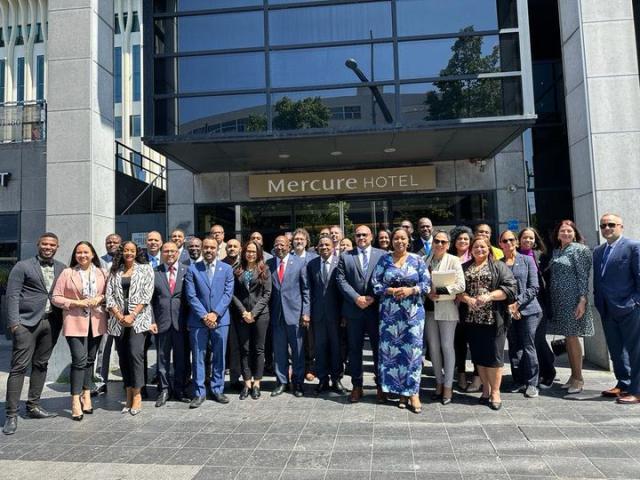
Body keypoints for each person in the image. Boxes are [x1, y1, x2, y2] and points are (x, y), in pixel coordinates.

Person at [3, 233, 65, 435]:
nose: (48, 247)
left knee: (41, 364)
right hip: (26, 324)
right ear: (38, 245)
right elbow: (11, 295)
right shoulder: (22, 266)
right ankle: (11, 414)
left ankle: (33, 406)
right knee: (19, 367)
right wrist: (14, 324)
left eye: (52, 245)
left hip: (52, 322)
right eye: (45, 244)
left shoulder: (62, 268)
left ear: (57, 247)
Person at [372, 228, 430, 413]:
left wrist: (410, 290)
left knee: (412, 352)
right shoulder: (384, 260)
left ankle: (413, 393)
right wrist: (390, 291)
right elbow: (375, 283)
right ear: (391, 241)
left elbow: (426, 285)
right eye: (395, 238)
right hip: (390, 314)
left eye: (402, 238)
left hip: (412, 314)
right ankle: (396, 391)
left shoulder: (418, 260)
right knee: (391, 353)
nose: (399, 241)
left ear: (408, 240)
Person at [458, 236, 517, 410]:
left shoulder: (499, 266)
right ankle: (485, 390)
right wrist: (467, 299)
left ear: (489, 249)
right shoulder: (464, 268)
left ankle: (495, 392)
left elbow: (510, 288)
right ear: (471, 250)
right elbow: (457, 290)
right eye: (476, 247)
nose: (479, 250)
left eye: (483, 247)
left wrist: (489, 296)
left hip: (494, 319)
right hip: (472, 319)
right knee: (479, 357)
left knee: (495, 358)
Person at [51, 241, 107, 421]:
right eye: (78, 253)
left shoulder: (101, 272)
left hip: (96, 322)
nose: (82, 255)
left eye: (85, 252)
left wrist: (100, 298)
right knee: (79, 360)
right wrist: (76, 303)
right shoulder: (68, 273)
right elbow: (56, 297)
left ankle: (87, 395)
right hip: (74, 322)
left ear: (92, 255)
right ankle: (75, 400)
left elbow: (109, 293)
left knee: (90, 360)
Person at [593, 214, 640, 404]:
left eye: (611, 225)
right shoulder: (598, 251)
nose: (606, 228)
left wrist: (635, 302)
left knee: (636, 350)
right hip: (607, 309)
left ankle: (637, 390)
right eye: (603, 225)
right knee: (616, 350)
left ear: (621, 226)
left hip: (630, 308)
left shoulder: (633, 247)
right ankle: (624, 383)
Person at [336, 225, 386, 403]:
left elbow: (386, 278)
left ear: (371, 236)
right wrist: (356, 298)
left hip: (375, 310)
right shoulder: (345, 256)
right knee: (354, 350)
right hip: (354, 310)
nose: (361, 237)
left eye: (364, 234)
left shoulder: (382, 255)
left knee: (378, 350)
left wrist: (373, 297)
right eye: (358, 235)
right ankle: (357, 386)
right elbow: (340, 280)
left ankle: (381, 386)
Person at [106, 241, 156, 415]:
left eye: (132, 250)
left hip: (138, 320)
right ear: (122, 252)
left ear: (137, 252)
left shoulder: (146, 269)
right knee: (123, 357)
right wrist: (120, 316)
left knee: (135, 354)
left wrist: (132, 315)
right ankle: (127, 393)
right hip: (118, 321)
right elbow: (109, 296)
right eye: (126, 250)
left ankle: (137, 395)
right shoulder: (114, 271)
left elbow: (147, 295)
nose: (129, 253)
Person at [184, 236, 235, 407]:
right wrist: (205, 316)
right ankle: (199, 392)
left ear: (217, 249)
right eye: (206, 247)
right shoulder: (192, 269)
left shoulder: (227, 269)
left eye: (212, 248)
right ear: (202, 249)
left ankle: (217, 389)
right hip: (199, 321)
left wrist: (215, 314)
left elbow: (228, 294)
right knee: (198, 357)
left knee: (219, 356)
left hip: (221, 321)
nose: (208, 251)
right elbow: (191, 296)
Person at [547, 220, 594, 394]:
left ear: (575, 233)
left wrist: (582, 300)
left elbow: (583, 276)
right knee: (568, 337)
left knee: (573, 337)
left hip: (573, 299)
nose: (566, 233)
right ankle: (573, 376)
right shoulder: (558, 250)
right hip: (559, 300)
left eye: (569, 231)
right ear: (557, 234)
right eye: (562, 231)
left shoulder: (580, 250)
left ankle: (579, 378)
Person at [499, 230, 543, 398]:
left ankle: (532, 383)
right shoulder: (499, 263)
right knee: (514, 346)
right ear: (500, 244)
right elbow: (499, 288)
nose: (508, 243)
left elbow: (534, 287)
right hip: (508, 310)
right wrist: (510, 306)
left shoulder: (527, 260)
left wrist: (517, 303)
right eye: (505, 240)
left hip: (529, 310)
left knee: (528, 345)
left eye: (511, 240)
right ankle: (518, 380)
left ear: (516, 242)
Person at [425, 230, 465, 405]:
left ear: (448, 245)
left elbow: (461, 285)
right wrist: (427, 293)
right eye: (436, 241)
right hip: (428, 309)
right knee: (433, 348)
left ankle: (448, 386)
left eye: (443, 242)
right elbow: (420, 281)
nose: (439, 244)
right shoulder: (425, 260)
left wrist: (439, 291)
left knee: (447, 346)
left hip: (447, 308)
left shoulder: (454, 260)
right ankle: (439, 383)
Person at [267, 235, 310, 397]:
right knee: (279, 352)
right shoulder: (269, 264)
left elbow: (306, 290)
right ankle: (282, 382)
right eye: (276, 244)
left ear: (289, 245)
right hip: (276, 315)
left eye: (282, 244)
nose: (279, 247)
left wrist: (306, 312)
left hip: (295, 314)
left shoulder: (300, 263)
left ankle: (298, 383)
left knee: (298, 352)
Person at [231, 240, 272, 400]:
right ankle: (246, 383)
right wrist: (244, 312)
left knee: (259, 350)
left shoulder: (264, 269)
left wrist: (253, 313)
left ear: (258, 253)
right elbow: (233, 293)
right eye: (248, 251)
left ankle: (257, 383)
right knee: (245, 349)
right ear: (244, 252)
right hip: (242, 315)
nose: (250, 254)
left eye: (254, 251)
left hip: (260, 315)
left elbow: (267, 294)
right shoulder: (237, 270)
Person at [151, 241, 190, 407]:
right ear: (162, 253)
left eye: (173, 251)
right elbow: (150, 301)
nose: (170, 254)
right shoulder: (155, 272)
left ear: (178, 253)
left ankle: (180, 389)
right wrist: (152, 321)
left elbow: (191, 299)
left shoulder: (187, 271)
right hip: (162, 323)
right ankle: (164, 389)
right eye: (166, 251)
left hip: (182, 324)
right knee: (162, 359)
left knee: (181, 359)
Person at [517, 227, 556, 389]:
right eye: (525, 238)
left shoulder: (541, 256)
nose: (528, 241)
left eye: (531, 238)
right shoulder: (514, 255)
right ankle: (530, 374)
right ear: (519, 239)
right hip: (521, 303)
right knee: (526, 342)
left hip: (539, 303)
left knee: (537, 340)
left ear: (535, 240)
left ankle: (548, 372)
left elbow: (547, 281)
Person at [307, 236, 346, 395]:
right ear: (317, 247)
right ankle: (322, 379)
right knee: (320, 348)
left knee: (336, 348)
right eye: (321, 245)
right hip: (318, 315)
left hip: (336, 315)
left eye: (327, 244)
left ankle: (336, 379)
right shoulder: (312, 264)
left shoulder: (340, 262)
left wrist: (344, 314)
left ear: (333, 247)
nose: (324, 247)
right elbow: (308, 290)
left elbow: (344, 291)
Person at [449, 226, 479, 391]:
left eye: (466, 239)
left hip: (472, 306)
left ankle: (476, 375)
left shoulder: (475, 257)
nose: (463, 241)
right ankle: (460, 373)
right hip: (453, 306)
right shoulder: (449, 258)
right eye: (460, 239)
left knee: (474, 342)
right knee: (458, 342)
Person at [95, 233, 122, 396]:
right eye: (108, 242)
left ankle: (129, 381)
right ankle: (100, 382)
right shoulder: (98, 262)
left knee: (125, 348)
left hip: (124, 313)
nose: (111, 244)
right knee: (103, 349)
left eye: (115, 242)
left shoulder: (127, 260)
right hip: (105, 312)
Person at [291, 228, 318, 381]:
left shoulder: (313, 258)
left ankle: (310, 367)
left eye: (302, 239)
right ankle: (295, 367)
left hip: (311, 304)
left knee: (309, 339)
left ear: (307, 242)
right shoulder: (288, 258)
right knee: (295, 340)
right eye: (296, 239)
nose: (299, 241)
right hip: (293, 305)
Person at [222, 237, 243, 390]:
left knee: (236, 346)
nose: (232, 248)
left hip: (241, 311)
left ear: (240, 249)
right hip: (223, 310)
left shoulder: (245, 264)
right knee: (222, 346)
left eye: (235, 246)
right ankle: (219, 379)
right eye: (229, 246)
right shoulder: (220, 264)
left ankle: (236, 378)